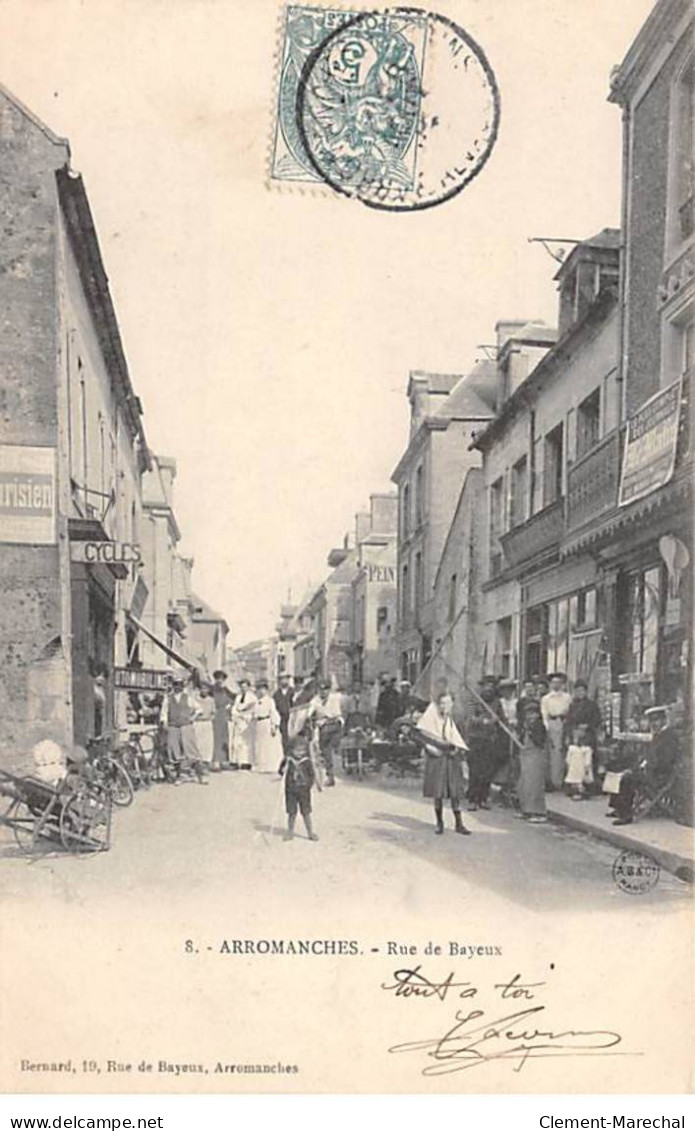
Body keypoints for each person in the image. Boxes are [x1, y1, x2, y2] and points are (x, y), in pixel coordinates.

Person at [607, 706, 680, 826]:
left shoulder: (669, 737)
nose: (653, 724)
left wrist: (643, 770)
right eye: (651, 721)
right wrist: (636, 768)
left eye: (656, 721)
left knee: (627, 779)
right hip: (650, 771)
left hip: (660, 776)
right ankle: (617, 807)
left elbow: (665, 762)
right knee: (617, 770)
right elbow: (647, 757)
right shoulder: (658, 735)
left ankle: (626, 815)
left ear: (663, 720)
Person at [417, 689, 471, 835]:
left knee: (455, 791)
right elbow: (424, 738)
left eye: (447, 703)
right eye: (441, 703)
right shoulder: (430, 721)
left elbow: (463, 739)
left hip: (452, 758)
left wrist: (458, 750)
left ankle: (459, 823)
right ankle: (439, 822)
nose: (444, 706)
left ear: (452, 704)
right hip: (437, 758)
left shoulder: (457, 721)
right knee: (438, 791)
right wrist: (431, 748)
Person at [164, 675, 207, 785]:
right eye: (175, 685)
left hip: (186, 725)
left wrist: (192, 717)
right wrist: (164, 723)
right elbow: (164, 713)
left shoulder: (188, 697)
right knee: (174, 751)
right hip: (173, 726)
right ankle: (180, 776)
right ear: (173, 686)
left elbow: (199, 708)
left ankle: (201, 775)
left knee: (191, 750)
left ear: (182, 686)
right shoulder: (168, 698)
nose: (177, 687)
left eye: (180, 685)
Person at [279, 723, 319, 842]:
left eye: (302, 750)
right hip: (290, 791)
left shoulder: (306, 761)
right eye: (297, 750)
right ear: (291, 750)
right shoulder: (288, 761)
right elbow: (280, 772)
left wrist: (308, 785)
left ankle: (310, 832)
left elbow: (311, 775)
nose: (300, 753)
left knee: (306, 812)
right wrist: (283, 769)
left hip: (303, 791)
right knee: (291, 813)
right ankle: (290, 832)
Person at [465, 686, 503, 810]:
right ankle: (473, 800)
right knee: (475, 771)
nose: (488, 692)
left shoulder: (497, 704)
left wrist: (498, 721)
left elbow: (501, 719)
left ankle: (483, 798)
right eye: (486, 689)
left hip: (490, 740)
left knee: (487, 771)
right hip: (475, 740)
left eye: (490, 689)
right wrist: (485, 721)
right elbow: (470, 720)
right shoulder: (474, 702)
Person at [565, 679, 603, 787]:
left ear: (586, 692)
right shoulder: (572, 705)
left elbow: (597, 720)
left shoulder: (592, 705)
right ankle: (575, 784)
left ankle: (589, 784)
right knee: (575, 759)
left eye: (582, 690)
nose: (580, 693)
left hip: (588, 734)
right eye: (577, 691)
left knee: (588, 759)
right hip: (576, 735)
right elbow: (568, 721)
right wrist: (571, 732)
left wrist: (587, 726)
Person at [516, 698, 548, 822]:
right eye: (528, 713)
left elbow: (539, 741)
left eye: (533, 713)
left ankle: (539, 812)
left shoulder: (539, 726)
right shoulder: (525, 726)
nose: (530, 716)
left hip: (535, 756)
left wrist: (529, 731)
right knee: (524, 784)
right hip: (525, 756)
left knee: (534, 785)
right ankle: (526, 810)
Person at [308, 679, 343, 787]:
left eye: (326, 689)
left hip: (335, 724)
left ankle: (334, 766)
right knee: (325, 749)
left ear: (329, 690)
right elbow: (309, 711)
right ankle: (330, 775)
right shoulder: (315, 700)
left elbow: (341, 711)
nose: (323, 692)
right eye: (321, 690)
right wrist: (309, 717)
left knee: (332, 747)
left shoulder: (335, 698)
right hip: (323, 726)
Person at [541, 672, 571, 790]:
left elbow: (570, 711)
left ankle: (562, 780)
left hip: (564, 723)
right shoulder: (546, 698)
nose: (556, 685)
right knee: (553, 753)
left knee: (563, 752)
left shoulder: (567, 697)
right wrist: (547, 727)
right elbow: (544, 713)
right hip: (552, 723)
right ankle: (553, 781)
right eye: (554, 682)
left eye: (558, 682)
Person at [254, 680, 283, 773]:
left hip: (267, 722)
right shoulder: (257, 701)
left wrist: (274, 725)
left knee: (269, 744)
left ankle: (272, 766)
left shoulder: (270, 701)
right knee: (261, 745)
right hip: (259, 724)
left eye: (263, 689)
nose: (261, 691)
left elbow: (273, 713)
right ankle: (262, 765)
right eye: (259, 689)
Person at [230, 677, 257, 770]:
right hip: (238, 722)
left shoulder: (252, 697)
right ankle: (237, 762)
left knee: (247, 743)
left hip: (247, 723)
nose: (243, 688)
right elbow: (234, 708)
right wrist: (236, 715)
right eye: (242, 687)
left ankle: (247, 763)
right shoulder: (238, 697)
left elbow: (253, 709)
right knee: (237, 742)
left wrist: (244, 714)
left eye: (245, 687)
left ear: (248, 687)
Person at [210, 670, 234, 771]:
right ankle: (216, 762)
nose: (220, 681)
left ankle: (224, 761)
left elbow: (233, 700)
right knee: (216, 738)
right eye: (218, 678)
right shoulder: (212, 690)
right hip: (216, 715)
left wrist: (230, 708)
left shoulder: (226, 690)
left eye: (222, 679)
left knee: (225, 738)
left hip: (225, 715)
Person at [564, 723, 594, 800]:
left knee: (581, 779)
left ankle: (582, 792)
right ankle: (575, 791)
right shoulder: (572, 749)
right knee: (575, 780)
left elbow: (588, 760)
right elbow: (568, 759)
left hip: (581, 767)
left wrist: (587, 767)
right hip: (574, 767)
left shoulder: (586, 750)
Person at [192, 683, 215, 768]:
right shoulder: (195, 699)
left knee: (207, 742)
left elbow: (213, 712)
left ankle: (206, 760)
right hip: (197, 722)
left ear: (208, 690)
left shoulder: (211, 700)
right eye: (202, 689)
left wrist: (209, 718)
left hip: (207, 722)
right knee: (197, 741)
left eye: (206, 689)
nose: (204, 691)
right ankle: (197, 761)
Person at [273, 673, 295, 758]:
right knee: (284, 737)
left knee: (292, 737)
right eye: (282, 679)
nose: (284, 681)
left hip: (292, 718)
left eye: (286, 679)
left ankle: (292, 755)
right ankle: (286, 756)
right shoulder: (276, 694)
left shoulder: (292, 692)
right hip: (282, 718)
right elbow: (274, 707)